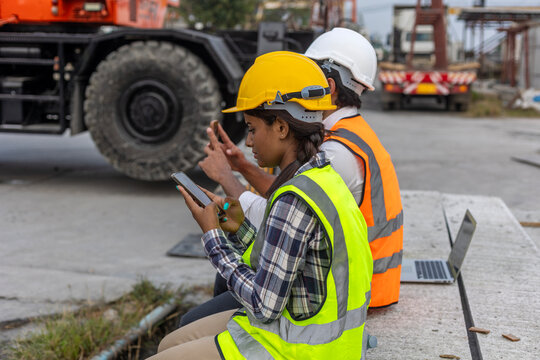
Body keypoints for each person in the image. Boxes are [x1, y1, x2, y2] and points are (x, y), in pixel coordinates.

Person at [149, 51, 373, 359]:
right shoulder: (324, 177)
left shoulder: (295, 198)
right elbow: (285, 260)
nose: (249, 142)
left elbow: (263, 303)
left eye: (252, 129)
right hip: (319, 338)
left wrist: (212, 235)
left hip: (298, 348)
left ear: (281, 127)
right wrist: (236, 225)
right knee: (168, 345)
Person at [196, 27, 403, 314]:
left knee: (226, 278)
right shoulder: (347, 134)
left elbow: (282, 217)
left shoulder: (338, 153)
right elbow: (286, 202)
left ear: (327, 87)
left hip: (346, 294)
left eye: (308, 76)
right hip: (349, 281)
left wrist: (226, 179)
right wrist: (241, 165)